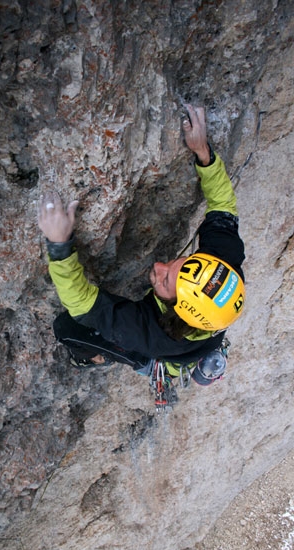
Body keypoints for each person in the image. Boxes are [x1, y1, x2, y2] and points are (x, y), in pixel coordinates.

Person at [38, 105, 245, 384]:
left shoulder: (148, 334)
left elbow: (82, 304)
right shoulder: (220, 269)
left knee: (66, 328)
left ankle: (102, 357)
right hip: (204, 332)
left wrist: (59, 244)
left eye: (164, 279)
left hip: (157, 354)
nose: (159, 265)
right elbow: (223, 208)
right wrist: (203, 153)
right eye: (178, 264)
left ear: (173, 308)